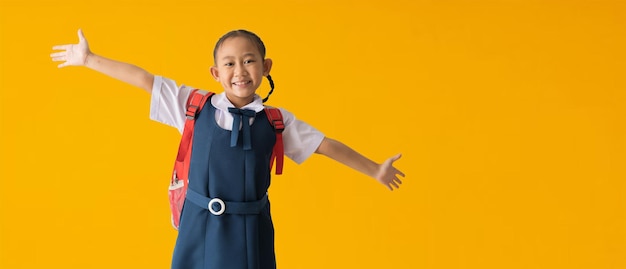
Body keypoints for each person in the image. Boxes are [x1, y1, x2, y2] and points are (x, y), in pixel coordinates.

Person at [50, 29, 405, 269]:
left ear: (265, 68)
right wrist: (89, 59)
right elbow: (144, 79)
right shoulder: (194, 106)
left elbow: (326, 146)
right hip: (197, 224)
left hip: (250, 228)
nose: (240, 71)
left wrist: (375, 169)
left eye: (249, 61)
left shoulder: (277, 121)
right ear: (215, 72)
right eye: (229, 63)